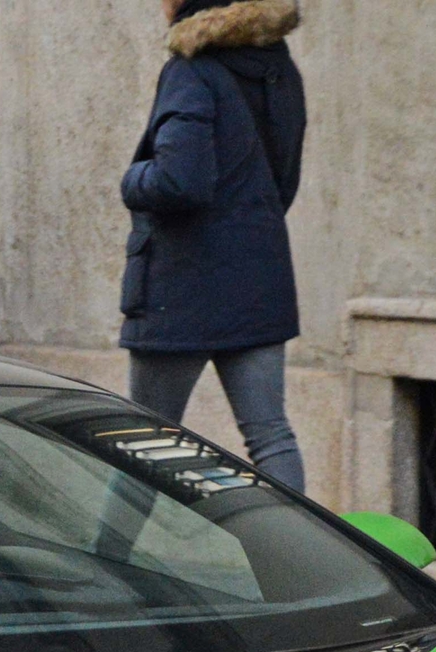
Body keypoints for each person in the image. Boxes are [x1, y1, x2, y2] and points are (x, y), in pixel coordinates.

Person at [119, 0, 308, 491]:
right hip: (260, 278)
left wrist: (131, 179)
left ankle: (108, 564)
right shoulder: (280, 67)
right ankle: (297, 566)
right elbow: (282, 183)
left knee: (143, 440)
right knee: (270, 437)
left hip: (180, 289)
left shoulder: (191, 71)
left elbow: (179, 181)